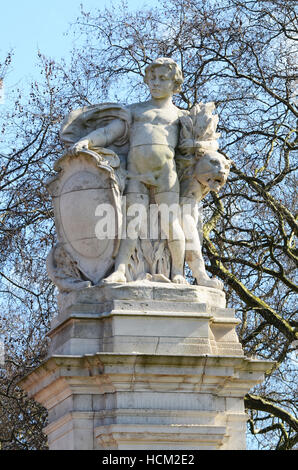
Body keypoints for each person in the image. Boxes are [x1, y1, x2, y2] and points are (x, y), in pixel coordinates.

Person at [71, 57, 188, 284]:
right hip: (136, 173)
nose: (155, 83)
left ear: (175, 84)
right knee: (132, 223)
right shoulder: (135, 111)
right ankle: (121, 270)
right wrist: (87, 140)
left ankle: (178, 273)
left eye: (162, 79)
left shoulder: (181, 116)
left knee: (171, 223)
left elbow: (196, 149)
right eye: (152, 78)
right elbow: (109, 132)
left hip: (166, 176)